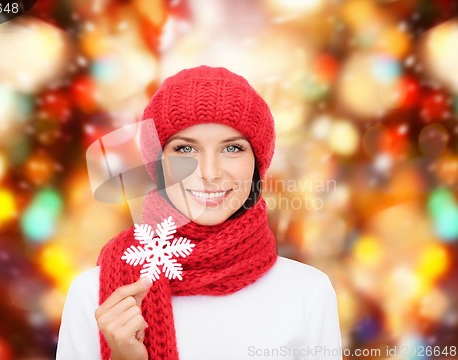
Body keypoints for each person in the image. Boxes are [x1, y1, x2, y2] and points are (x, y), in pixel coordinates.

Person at [56, 66, 342, 360]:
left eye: (231, 148)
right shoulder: (97, 295)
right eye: (185, 149)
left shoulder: (308, 293)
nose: (209, 172)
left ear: (257, 164)